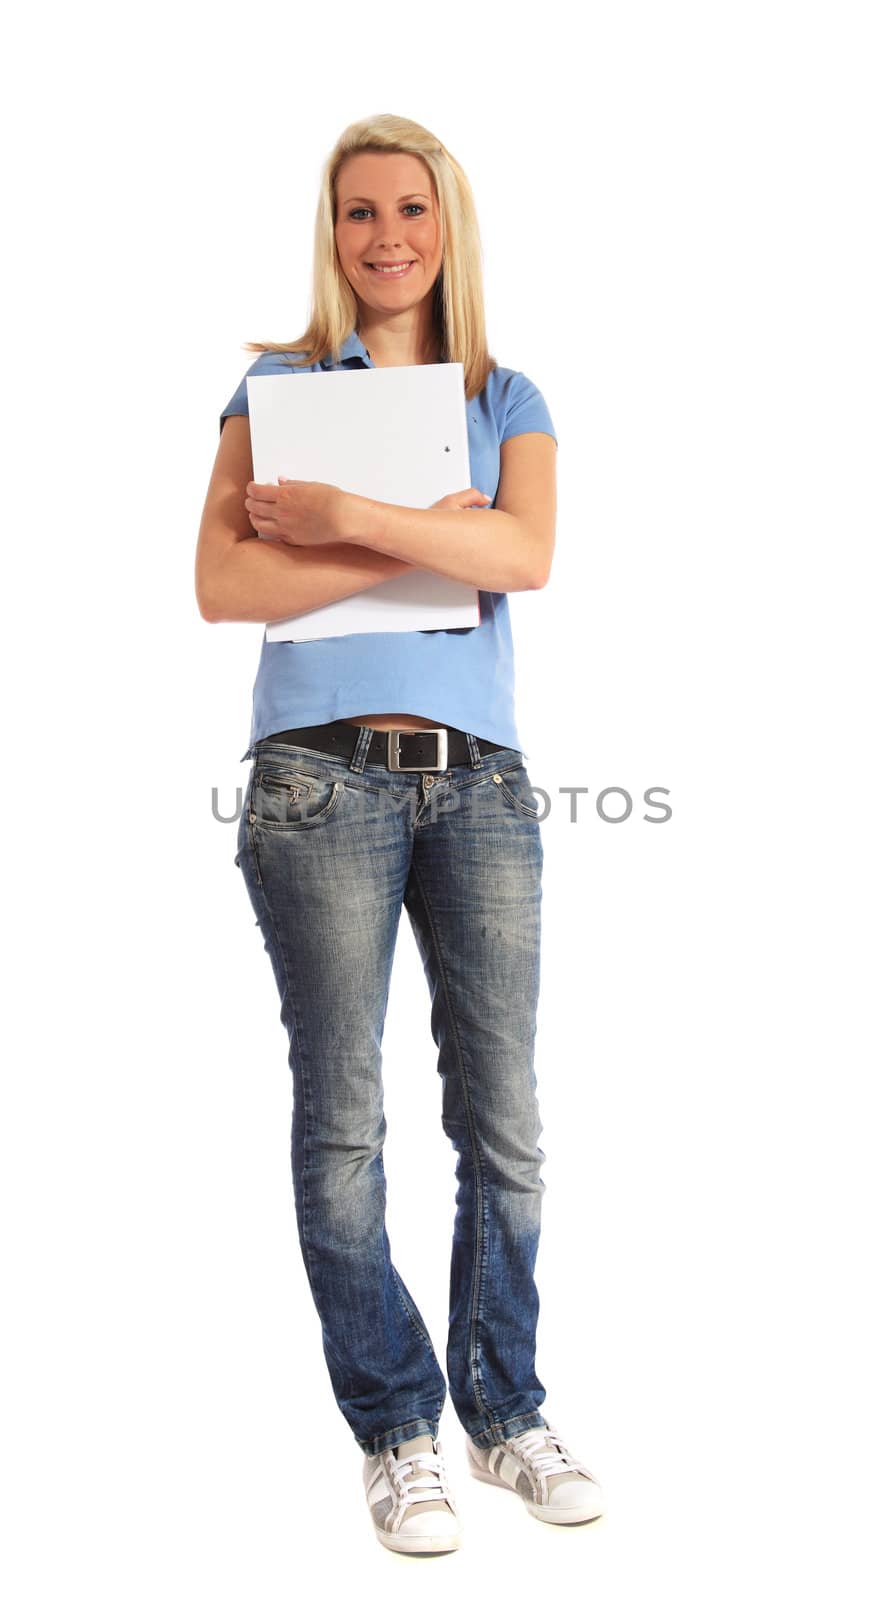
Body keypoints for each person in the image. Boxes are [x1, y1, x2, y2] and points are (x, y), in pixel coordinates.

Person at [195, 112, 603, 1556]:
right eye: (359, 211)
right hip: (316, 781)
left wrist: (337, 520)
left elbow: (524, 554)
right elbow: (222, 582)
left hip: (479, 781)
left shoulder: (508, 392)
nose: (385, 238)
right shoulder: (277, 383)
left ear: (449, 226)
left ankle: (507, 1413)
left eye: (410, 211)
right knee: (345, 1121)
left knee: (505, 1115)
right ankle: (395, 1431)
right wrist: (425, 531)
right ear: (334, 227)